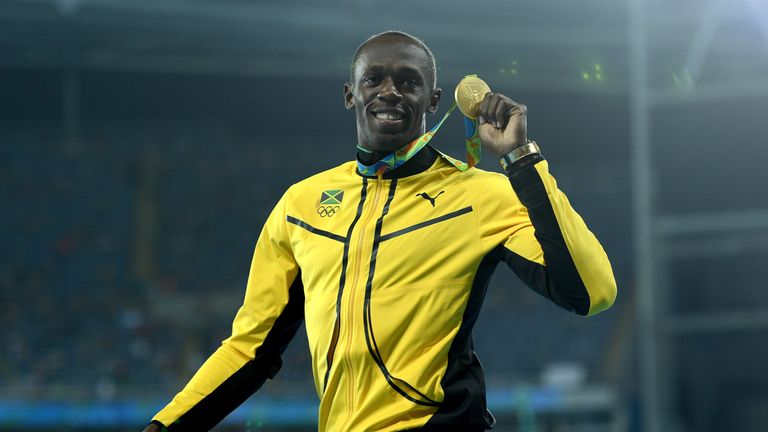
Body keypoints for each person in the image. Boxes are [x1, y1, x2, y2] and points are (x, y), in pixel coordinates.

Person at [142, 30, 617, 432]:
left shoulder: (481, 195)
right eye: (374, 79)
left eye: (409, 82)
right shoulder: (300, 205)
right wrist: (161, 427)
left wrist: (521, 159)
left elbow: (591, 291)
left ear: (432, 100)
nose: (390, 91)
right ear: (350, 94)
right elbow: (250, 350)